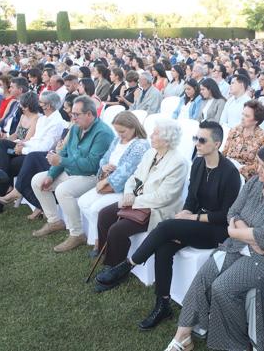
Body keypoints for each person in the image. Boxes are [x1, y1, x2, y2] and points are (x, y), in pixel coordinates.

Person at [100, 121, 241, 330]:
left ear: (217, 143)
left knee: (166, 228)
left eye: (202, 140)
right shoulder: (199, 163)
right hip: (194, 221)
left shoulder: (229, 173)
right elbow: (192, 198)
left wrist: (191, 218)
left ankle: (129, 264)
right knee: (164, 247)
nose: (197, 144)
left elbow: (226, 216)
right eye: (195, 139)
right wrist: (186, 211)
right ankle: (163, 304)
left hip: (216, 230)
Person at [164, 143, 264, 351]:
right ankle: (183, 335)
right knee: (205, 275)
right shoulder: (255, 182)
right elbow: (232, 212)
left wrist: (234, 231)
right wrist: (248, 235)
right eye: (259, 164)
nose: (258, 170)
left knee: (223, 288)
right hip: (242, 246)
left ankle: (236, 344)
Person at [94, 119, 188, 290]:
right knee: (104, 214)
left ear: (167, 139)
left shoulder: (178, 162)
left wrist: (134, 200)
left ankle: (116, 270)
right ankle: (106, 254)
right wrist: (129, 193)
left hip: (156, 209)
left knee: (117, 229)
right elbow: (134, 177)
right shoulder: (151, 153)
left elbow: (164, 197)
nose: (151, 135)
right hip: (136, 200)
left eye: (156, 133)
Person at [30, 96, 115, 253]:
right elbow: (64, 154)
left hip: (91, 176)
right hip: (71, 171)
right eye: (72, 114)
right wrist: (51, 174)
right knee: (37, 180)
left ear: (89, 114)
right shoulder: (76, 128)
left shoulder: (103, 133)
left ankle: (77, 234)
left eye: (77, 114)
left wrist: (61, 160)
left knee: (63, 190)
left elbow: (91, 165)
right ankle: (54, 221)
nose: (72, 117)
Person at [0, 91, 64, 218]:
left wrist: (22, 149)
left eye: (40, 102)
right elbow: (35, 140)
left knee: (7, 167)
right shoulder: (43, 118)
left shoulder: (56, 122)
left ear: (48, 105)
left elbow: (45, 147)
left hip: (40, 157)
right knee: (3, 145)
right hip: (31, 151)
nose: (38, 104)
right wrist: (21, 144)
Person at [77, 111, 149, 250]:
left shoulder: (140, 145)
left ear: (133, 127)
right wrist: (104, 166)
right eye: (117, 131)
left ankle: (99, 242)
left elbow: (127, 170)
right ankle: (99, 237)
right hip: (107, 179)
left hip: (123, 187)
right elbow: (105, 157)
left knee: (95, 209)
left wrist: (105, 182)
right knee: (83, 202)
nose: (120, 134)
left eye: (122, 131)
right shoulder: (117, 140)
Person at [222, 100, 264, 179]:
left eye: (247, 116)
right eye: (243, 114)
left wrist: (239, 169)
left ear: (256, 120)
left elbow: (258, 165)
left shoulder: (262, 137)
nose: (242, 118)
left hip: (245, 175)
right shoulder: (235, 130)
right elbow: (225, 152)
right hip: (227, 168)